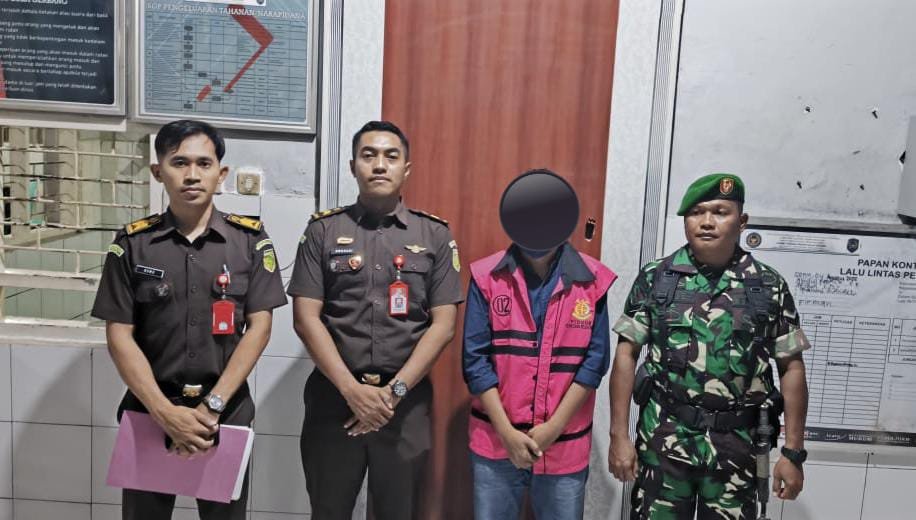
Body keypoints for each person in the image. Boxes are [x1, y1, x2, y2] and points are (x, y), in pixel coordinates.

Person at [92, 119, 287, 519]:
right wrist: (164, 412)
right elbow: (119, 336)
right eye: (179, 162)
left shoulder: (249, 241)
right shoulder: (132, 244)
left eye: (204, 163)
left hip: (224, 415)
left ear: (221, 173)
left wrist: (212, 406)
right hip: (150, 411)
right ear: (157, 171)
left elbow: (260, 327)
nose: (192, 174)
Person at [288, 120, 464, 520]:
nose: (380, 165)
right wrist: (352, 391)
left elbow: (444, 326)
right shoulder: (322, 231)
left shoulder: (435, 235)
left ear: (406, 168)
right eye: (368, 155)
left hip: (405, 404)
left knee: (398, 512)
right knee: (328, 510)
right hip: (334, 399)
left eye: (391, 156)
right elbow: (305, 319)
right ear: (353, 166)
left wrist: (393, 393)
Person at [608, 173, 810, 519]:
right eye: (696, 212)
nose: (706, 221)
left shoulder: (768, 286)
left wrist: (793, 453)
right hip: (664, 443)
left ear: (741, 221)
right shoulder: (657, 278)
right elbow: (625, 354)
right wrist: (618, 436)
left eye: (719, 212)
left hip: (737, 450)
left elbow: (791, 368)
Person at [462, 169, 617, 519]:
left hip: (564, 446)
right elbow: (474, 361)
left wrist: (553, 428)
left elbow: (594, 363)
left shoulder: (592, 281)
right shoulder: (487, 277)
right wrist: (506, 433)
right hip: (495, 443)